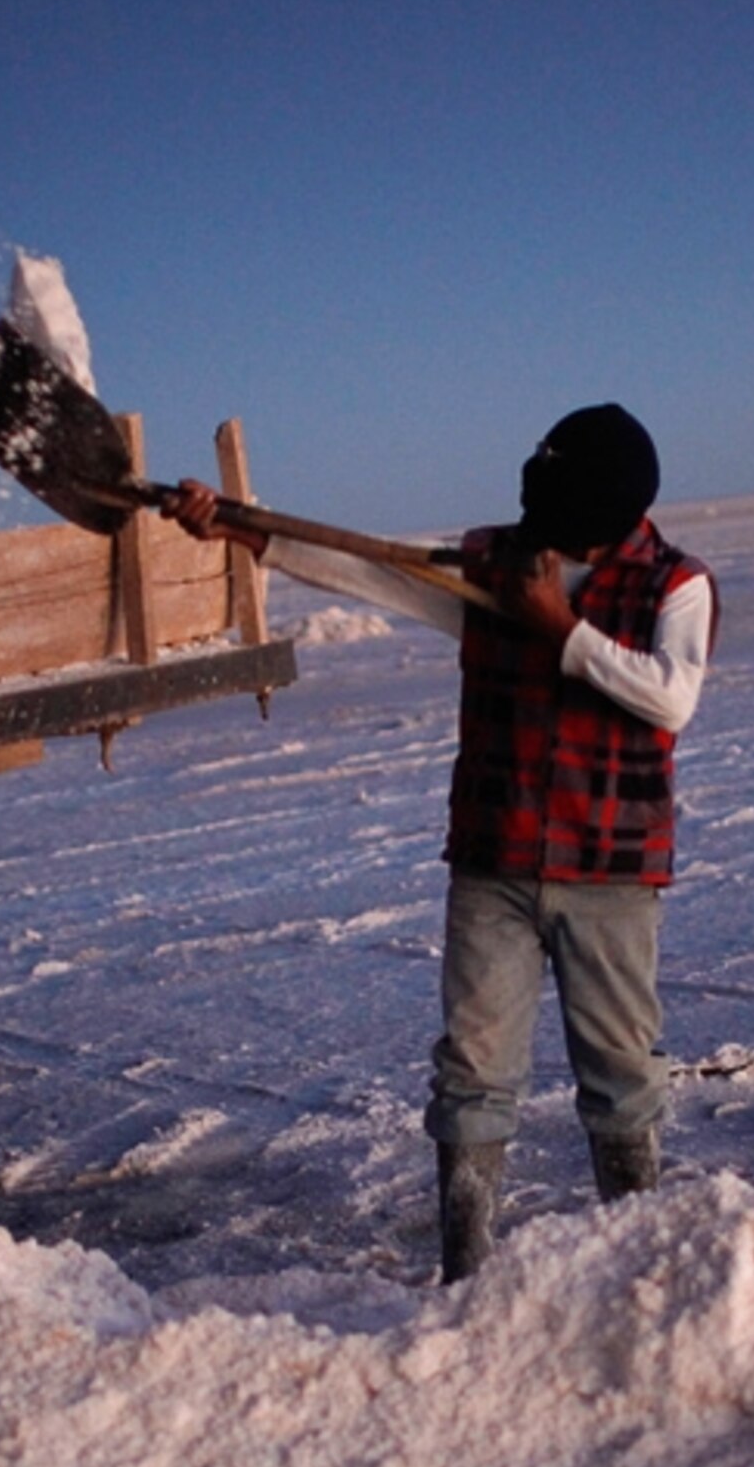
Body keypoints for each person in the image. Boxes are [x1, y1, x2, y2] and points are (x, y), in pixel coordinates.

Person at [170, 405, 716, 1281]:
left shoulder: (675, 586)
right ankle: (465, 1275)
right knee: (472, 1068)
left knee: (619, 1068)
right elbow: (372, 570)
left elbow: (669, 698)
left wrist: (556, 625)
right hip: (494, 858)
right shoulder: (497, 563)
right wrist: (244, 529)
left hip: (608, 869)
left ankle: (641, 1265)